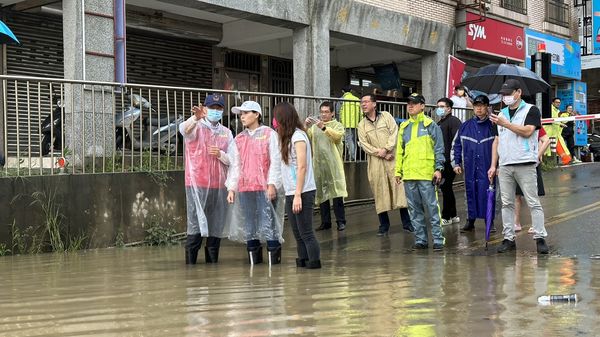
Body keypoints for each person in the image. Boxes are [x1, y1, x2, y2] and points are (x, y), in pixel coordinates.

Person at [489, 79, 549, 254]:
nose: (505, 97)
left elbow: (528, 131)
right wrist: (494, 164)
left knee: (533, 202)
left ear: (518, 92)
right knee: (506, 203)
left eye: (508, 93)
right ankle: (508, 238)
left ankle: (540, 237)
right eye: (503, 94)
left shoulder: (531, 110)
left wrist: (506, 124)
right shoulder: (501, 114)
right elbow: (497, 140)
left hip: (525, 162)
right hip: (506, 164)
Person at [226, 100, 284, 265]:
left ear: (257, 114)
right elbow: (235, 165)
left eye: (246, 113)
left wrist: (272, 184)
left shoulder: (269, 134)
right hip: (245, 189)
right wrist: (232, 188)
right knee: (249, 225)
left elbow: (276, 161)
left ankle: (274, 262)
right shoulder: (239, 139)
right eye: (241, 114)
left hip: (265, 188)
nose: (242, 117)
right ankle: (254, 262)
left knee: (269, 223)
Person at [179, 93, 233, 264]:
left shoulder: (227, 133)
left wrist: (221, 154)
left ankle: (212, 264)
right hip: (197, 184)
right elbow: (183, 130)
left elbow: (233, 160)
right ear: (205, 108)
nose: (215, 111)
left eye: (219, 108)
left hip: (219, 186)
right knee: (195, 224)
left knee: (215, 226)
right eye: (212, 108)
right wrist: (195, 117)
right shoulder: (196, 126)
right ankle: (191, 266)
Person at [394, 93, 446, 250]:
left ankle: (438, 239)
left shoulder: (431, 126)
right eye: (409, 103)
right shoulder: (404, 127)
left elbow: (439, 149)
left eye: (414, 103)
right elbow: (399, 152)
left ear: (422, 106)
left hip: (426, 175)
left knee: (432, 208)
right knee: (414, 210)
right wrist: (398, 171)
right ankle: (421, 240)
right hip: (409, 175)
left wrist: (438, 169)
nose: (410, 106)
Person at [358, 94, 413, 236]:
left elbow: (395, 132)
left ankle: (407, 223)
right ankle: (384, 226)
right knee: (380, 193)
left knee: (399, 190)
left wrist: (387, 149)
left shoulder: (386, 116)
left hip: (392, 159)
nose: (363, 104)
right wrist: (380, 153)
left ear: (374, 104)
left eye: (366, 102)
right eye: (361, 102)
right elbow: (364, 144)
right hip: (376, 162)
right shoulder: (361, 125)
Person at [275, 102, 321, 269]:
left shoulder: (298, 137)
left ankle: (314, 264)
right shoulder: (288, 137)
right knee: (298, 233)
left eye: (277, 118)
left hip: (302, 191)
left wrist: (297, 195)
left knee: (306, 232)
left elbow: (302, 166)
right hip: (291, 191)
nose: (275, 122)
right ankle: (303, 262)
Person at [451, 95, 498, 233]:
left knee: (489, 193)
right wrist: (456, 163)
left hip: (488, 166)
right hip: (470, 167)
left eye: (482, 105)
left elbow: (502, 146)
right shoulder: (464, 126)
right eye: (476, 105)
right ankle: (470, 220)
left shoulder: (493, 126)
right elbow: (456, 146)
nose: (479, 108)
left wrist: (498, 166)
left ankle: (490, 220)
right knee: (470, 192)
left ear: (487, 107)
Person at [306, 101, 348, 232]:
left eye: (326, 112)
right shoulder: (314, 128)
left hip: (334, 165)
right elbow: (306, 138)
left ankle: (341, 221)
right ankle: (325, 222)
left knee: (337, 194)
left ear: (332, 113)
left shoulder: (338, 126)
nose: (323, 115)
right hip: (319, 165)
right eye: (321, 112)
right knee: (322, 194)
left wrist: (323, 127)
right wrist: (305, 126)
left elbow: (337, 137)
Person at [514, 126, 551, 233]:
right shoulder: (514, 122)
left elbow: (546, 140)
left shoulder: (534, 121)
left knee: (532, 196)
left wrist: (537, 155)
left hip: (531, 162)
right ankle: (516, 223)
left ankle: (536, 224)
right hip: (516, 161)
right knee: (516, 195)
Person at [436, 97, 462, 226]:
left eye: (442, 106)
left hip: (449, 161)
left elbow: (457, 142)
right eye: (438, 106)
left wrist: (456, 161)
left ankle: (446, 216)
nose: (439, 109)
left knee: (445, 187)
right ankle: (453, 215)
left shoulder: (454, 121)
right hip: (442, 160)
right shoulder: (440, 123)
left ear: (449, 108)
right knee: (446, 188)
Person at [338, 86, 361, 161]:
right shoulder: (357, 99)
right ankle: (353, 156)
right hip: (355, 124)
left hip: (346, 123)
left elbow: (338, 111)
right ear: (351, 91)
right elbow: (361, 113)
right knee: (353, 140)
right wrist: (360, 122)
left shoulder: (342, 99)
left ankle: (352, 157)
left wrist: (338, 122)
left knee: (348, 140)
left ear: (342, 91)